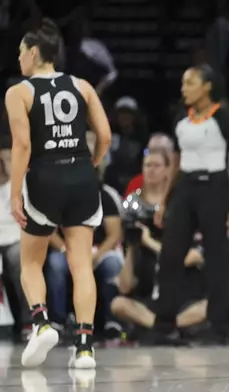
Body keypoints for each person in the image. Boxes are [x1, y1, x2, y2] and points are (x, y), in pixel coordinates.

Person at [4, 19, 111, 368]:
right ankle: (84, 348)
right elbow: (105, 137)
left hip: (45, 176)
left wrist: (15, 191)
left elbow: (22, 145)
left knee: (30, 262)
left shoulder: (18, 91)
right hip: (81, 174)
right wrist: (89, 165)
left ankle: (40, 322)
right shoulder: (82, 85)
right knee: (81, 265)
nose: (18, 59)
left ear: (34, 53)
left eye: (21, 52)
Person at [153, 64, 229, 340]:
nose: (184, 89)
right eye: (183, 83)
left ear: (207, 86)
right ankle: (164, 321)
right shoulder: (181, 118)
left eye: (190, 83)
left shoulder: (224, 117)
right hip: (184, 187)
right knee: (171, 252)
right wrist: (164, 200)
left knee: (216, 254)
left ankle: (218, 323)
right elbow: (177, 161)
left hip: (214, 186)